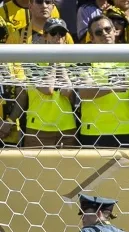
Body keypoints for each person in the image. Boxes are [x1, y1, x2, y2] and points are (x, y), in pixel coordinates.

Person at [78, 15, 129, 148]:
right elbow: (84, 92)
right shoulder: (85, 59)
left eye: (108, 29)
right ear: (91, 38)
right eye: (98, 32)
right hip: (94, 133)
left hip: (127, 131)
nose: (104, 34)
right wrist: (113, 87)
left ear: (115, 31)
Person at [19, 18, 77, 148]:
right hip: (38, 127)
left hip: (66, 127)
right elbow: (47, 89)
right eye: (53, 33)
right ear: (44, 35)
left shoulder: (73, 62)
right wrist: (54, 60)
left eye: (62, 34)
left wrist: (60, 61)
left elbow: (67, 92)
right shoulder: (31, 61)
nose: (58, 37)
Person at [4, 0, 71, 43]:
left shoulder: (64, 35)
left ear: (53, 7)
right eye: (39, 2)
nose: (44, 6)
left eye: (47, 2)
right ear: (30, 6)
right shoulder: (15, 37)